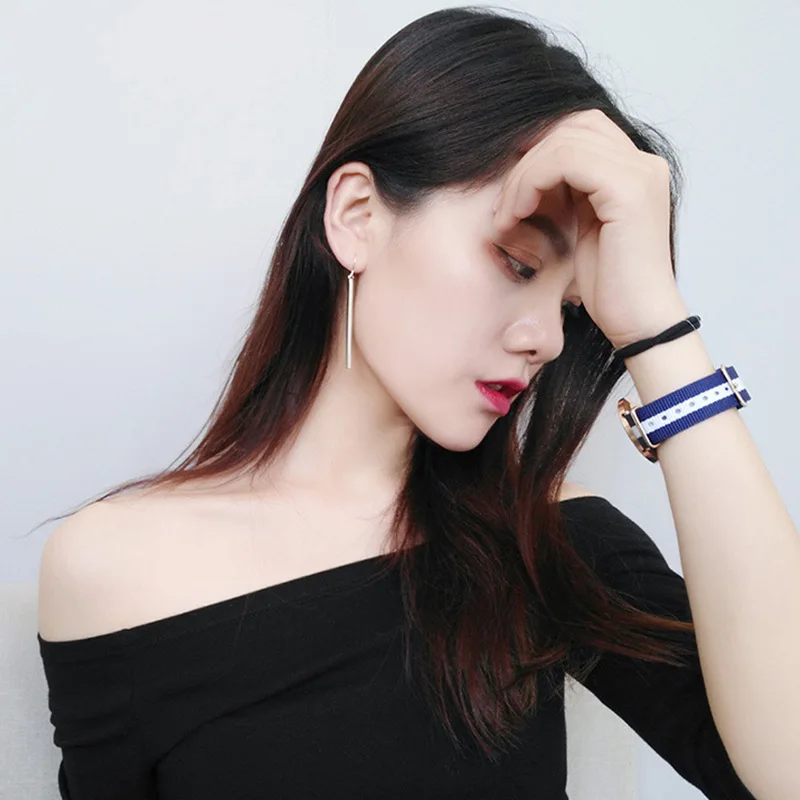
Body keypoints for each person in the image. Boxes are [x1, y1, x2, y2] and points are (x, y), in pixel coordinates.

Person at [35, 7, 765, 799]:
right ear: (357, 217)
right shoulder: (115, 567)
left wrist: (658, 327)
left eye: (572, 308)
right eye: (520, 265)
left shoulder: (551, 540)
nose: (549, 342)